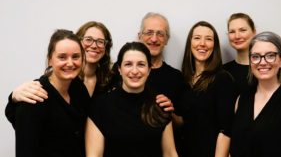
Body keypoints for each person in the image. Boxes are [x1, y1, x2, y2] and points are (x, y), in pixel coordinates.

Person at [6, 20, 172, 124]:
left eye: (101, 41)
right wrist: (13, 97)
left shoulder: (114, 77)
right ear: (77, 42)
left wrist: (158, 101)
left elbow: (136, 94)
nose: (94, 45)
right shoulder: (62, 79)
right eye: (88, 40)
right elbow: (25, 117)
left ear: (106, 48)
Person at [85, 42, 179, 157]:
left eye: (141, 64)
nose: (134, 71)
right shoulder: (101, 106)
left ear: (149, 70)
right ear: (119, 69)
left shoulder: (160, 105)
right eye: (128, 64)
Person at [14, 29, 91, 157]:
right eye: (62, 57)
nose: (70, 63)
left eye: (76, 57)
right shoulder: (35, 96)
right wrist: (13, 97)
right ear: (50, 59)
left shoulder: (79, 89)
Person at [176, 21, 237, 157]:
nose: (202, 44)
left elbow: (226, 131)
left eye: (208, 39)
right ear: (190, 43)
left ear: (214, 45)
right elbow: (185, 121)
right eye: (197, 38)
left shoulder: (222, 79)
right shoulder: (183, 79)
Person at [223, 13, 256, 93]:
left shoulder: (267, 68)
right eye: (232, 32)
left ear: (254, 32)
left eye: (242, 30)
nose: (237, 36)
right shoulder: (223, 71)